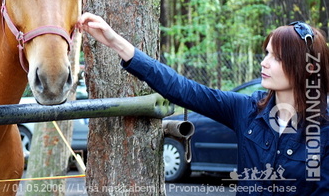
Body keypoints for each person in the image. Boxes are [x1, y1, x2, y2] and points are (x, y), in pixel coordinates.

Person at [77, 12, 329, 196]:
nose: (264, 62)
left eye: (276, 57)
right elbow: (183, 89)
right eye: (266, 53)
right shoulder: (247, 111)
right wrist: (115, 42)